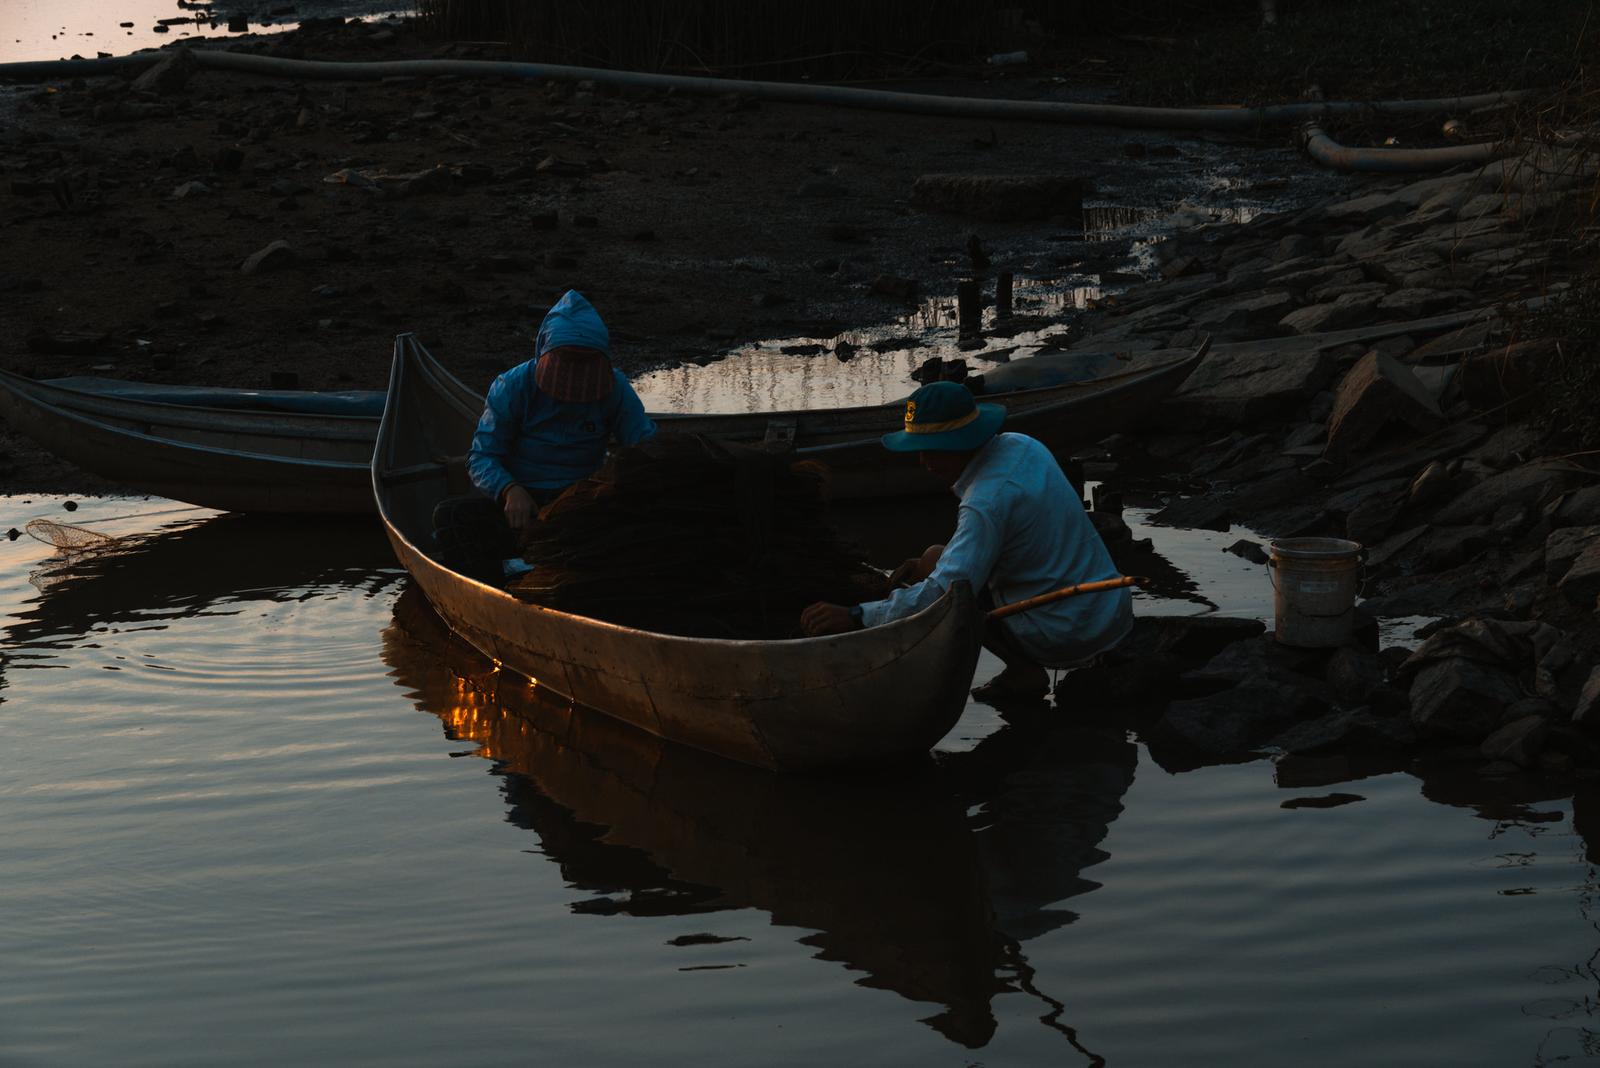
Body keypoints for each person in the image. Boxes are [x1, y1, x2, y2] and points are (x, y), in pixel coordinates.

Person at [800, 380, 1133, 704]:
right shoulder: (1022, 445)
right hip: (1110, 609)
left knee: (955, 597)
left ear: (958, 443)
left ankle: (1024, 671)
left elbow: (943, 593)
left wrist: (858, 615)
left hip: (1068, 633)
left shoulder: (986, 502)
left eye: (929, 451)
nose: (922, 462)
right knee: (932, 558)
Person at [435, 290, 656, 581]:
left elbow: (646, 447)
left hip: (581, 500)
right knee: (451, 517)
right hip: (519, 502)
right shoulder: (513, 386)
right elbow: (482, 457)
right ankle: (497, 584)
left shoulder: (615, 388)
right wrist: (509, 489)